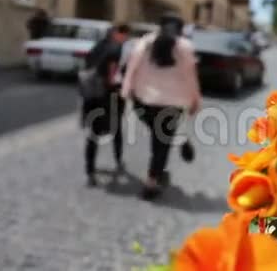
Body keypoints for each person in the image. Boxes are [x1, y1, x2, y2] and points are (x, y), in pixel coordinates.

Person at [121, 12, 202, 200]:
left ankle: (156, 174)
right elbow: (191, 77)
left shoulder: (144, 43)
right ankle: (151, 182)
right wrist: (195, 100)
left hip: (144, 101)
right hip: (172, 104)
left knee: (158, 138)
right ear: (181, 29)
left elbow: (131, 68)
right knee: (161, 142)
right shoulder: (185, 47)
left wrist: (126, 92)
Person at [81, 24, 131, 187]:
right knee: (116, 129)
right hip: (108, 96)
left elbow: (87, 65)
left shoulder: (97, 46)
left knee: (93, 134)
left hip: (91, 93)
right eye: (125, 35)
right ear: (119, 34)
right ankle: (118, 160)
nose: (126, 39)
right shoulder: (116, 49)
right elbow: (112, 77)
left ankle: (90, 171)